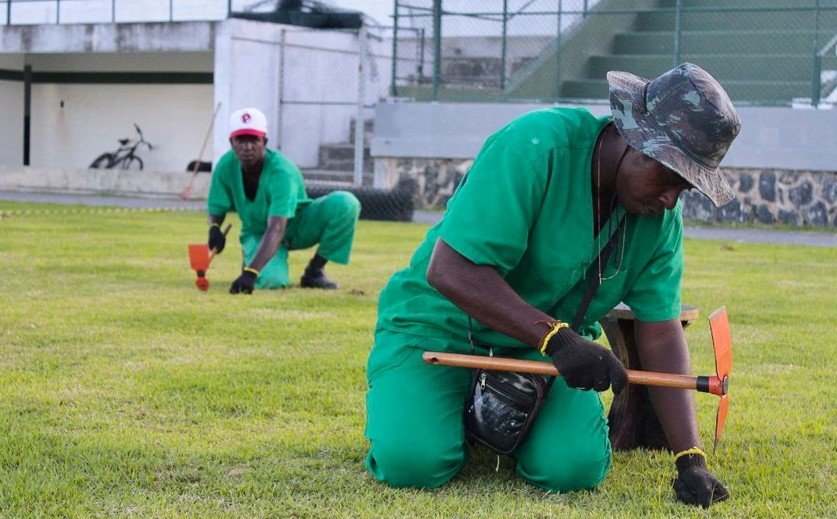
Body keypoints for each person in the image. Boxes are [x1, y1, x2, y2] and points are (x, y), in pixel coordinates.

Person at [364, 63, 740, 508]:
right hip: (438, 329)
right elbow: (450, 270)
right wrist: (556, 338)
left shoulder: (660, 221)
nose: (671, 200)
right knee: (413, 462)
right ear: (635, 140)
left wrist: (689, 457)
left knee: (572, 468)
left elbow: (659, 329)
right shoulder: (535, 146)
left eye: (686, 189)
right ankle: (447, 409)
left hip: (543, 350)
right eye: (670, 178)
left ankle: (478, 413)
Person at [207, 107, 360, 294]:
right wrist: (214, 228)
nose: (247, 147)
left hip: (298, 225)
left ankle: (314, 272)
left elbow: (278, 226)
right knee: (272, 281)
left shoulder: (282, 172)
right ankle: (254, 255)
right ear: (232, 142)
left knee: (346, 204)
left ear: (264, 141)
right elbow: (217, 206)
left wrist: (251, 272)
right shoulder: (225, 166)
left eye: (253, 139)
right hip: (257, 232)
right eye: (241, 139)